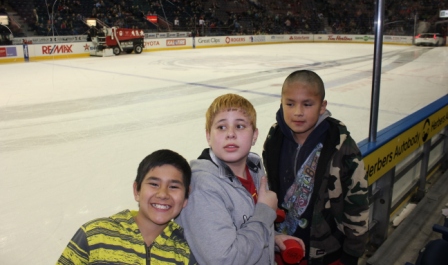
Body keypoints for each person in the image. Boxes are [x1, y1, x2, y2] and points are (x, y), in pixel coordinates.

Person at [176, 93, 304, 265]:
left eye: (240, 126)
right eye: (221, 127)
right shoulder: (202, 187)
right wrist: (265, 212)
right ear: (208, 136)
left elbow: (242, 229)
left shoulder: (254, 168)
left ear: (255, 136)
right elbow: (225, 259)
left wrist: (271, 238)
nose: (230, 134)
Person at [263, 70, 369, 265]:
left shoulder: (340, 145)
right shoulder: (274, 138)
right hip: (282, 246)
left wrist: (352, 253)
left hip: (325, 252)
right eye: (290, 104)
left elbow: (357, 200)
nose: (298, 112)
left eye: (307, 104)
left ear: (322, 106)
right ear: (281, 103)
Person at [56, 149, 197, 265]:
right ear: (137, 190)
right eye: (154, 184)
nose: (163, 194)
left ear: (185, 198)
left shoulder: (187, 250)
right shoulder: (96, 234)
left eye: (173, 187)